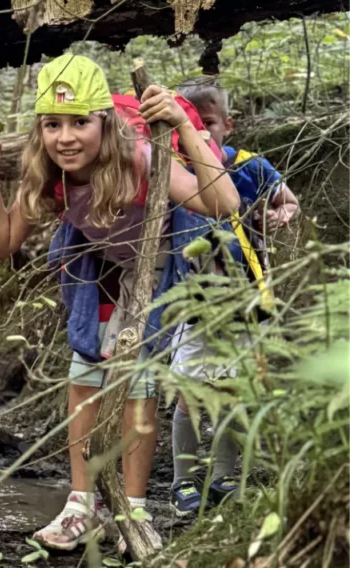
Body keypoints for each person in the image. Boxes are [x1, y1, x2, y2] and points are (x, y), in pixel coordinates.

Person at [0, 54, 241, 550]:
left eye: (80, 123)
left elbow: (223, 205)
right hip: (100, 266)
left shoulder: (139, 156)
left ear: (106, 122)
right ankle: (83, 505)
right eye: (52, 125)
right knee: (86, 377)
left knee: (136, 384)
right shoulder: (48, 172)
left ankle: (134, 512)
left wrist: (183, 125)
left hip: (159, 266)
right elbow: (4, 242)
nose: (65, 137)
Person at [166, 80, 300, 516]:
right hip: (192, 301)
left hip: (247, 295)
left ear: (227, 123)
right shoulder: (174, 171)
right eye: (189, 123)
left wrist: (278, 214)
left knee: (230, 389)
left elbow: (288, 201)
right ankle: (183, 482)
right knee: (189, 392)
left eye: (206, 124)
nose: (199, 133)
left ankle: (223, 476)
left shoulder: (250, 166)